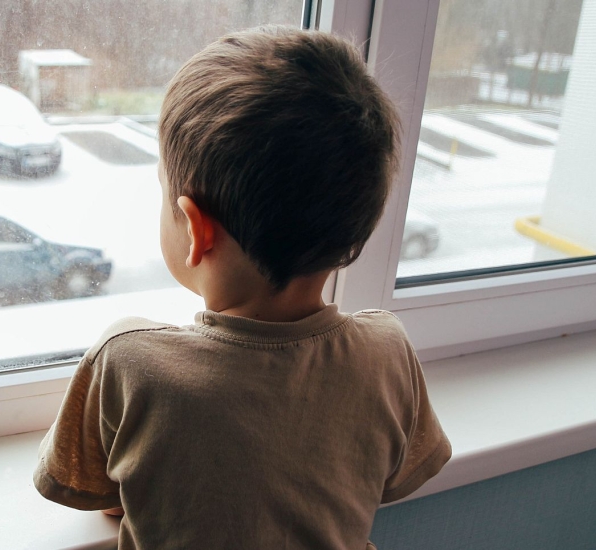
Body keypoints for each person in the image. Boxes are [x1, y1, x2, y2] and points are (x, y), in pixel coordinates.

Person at [33, 25, 451, 549]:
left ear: (197, 229)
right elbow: (390, 477)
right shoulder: (387, 352)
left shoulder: (131, 363)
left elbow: (90, 490)